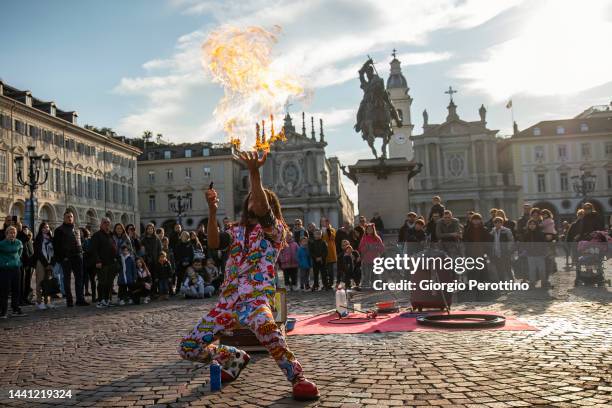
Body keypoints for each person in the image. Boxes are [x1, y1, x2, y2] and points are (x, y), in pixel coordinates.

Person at [178, 151, 319, 401]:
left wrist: (254, 172)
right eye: (251, 196)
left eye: (259, 196)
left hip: (255, 300)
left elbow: (264, 210)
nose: (253, 198)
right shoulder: (235, 231)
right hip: (227, 303)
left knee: (269, 332)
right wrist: (212, 212)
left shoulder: (275, 232)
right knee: (188, 348)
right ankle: (233, 357)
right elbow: (212, 241)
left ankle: (297, 377)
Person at [53, 209, 88, 307]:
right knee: (67, 280)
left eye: (71, 216)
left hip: (78, 257)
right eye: (68, 217)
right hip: (67, 258)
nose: (70, 218)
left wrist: (81, 252)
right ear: (64, 218)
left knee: (79, 279)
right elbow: (56, 246)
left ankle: (80, 299)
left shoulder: (77, 229)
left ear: (73, 218)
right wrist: (61, 258)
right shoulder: (59, 230)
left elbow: (82, 242)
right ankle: (69, 300)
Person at [91, 218, 119, 309]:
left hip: (111, 263)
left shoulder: (110, 235)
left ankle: (107, 299)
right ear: (101, 224)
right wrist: (97, 261)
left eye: (108, 223)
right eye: (105, 223)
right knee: (102, 282)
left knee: (109, 283)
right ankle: (100, 300)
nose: (107, 225)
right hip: (102, 263)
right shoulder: (97, 235)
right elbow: (94, 250)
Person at [0, 226, 26, 318]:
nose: (12, 234)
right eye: (10, 232)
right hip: (5, 269)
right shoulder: (2, 244)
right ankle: (3, 311)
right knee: (5, 291)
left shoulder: (18, 242)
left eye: (14, 233)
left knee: (16, 289)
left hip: (16, 268)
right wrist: (4, 262)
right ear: (6, 234)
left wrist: (17, 260)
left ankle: (15, 309)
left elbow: (20, 251)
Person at [520, 219, 548, 288]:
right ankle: (532, 283)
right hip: (530, 254)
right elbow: (524, 243)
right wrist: (525, 250)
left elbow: (544, 244)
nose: (532, 226)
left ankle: (543, 282)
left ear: (536, 225)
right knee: (532, 269)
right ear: (528, 225)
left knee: (541, 269)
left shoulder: (540, 233)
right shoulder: (526, 234)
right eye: (530, 224)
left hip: (539, 254)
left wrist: (544, 252)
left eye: (533, 224)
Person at [33, 222, 55, 310]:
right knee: (40, 281)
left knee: (48, 282)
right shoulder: (38, 238)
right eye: (44, 227)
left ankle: (48, 301)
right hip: (41, 262)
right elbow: (38, 252)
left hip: (50, 262)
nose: (46, 228)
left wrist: (51, 263)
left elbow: (54, 251)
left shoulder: (51, 239)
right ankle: (39, 301)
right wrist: (46, 264)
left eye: (48, 227)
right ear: (41, 228)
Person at [358, 223, 385, 288]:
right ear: (366, 230)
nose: (369, 230)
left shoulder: (377, 238)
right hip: (366, 260)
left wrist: (375, 247)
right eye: (368, 229)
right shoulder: (364, 238)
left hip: (375, 259)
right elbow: (360, 248)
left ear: (373, 230)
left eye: (371, 229)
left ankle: (377, 285)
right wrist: (366, 248)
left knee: (377, 273)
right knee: (367, 274)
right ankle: (366, 285)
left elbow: (382, 248)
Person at [489, 216, 514, 282]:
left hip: (505, 253)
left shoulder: (507, 230)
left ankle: (512, 282)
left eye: (499, 222)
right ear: (494, 223)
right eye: (496, 222)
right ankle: (502, 283)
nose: (497, 224)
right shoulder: (492, 232)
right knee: (499, 269)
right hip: (496, 254)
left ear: (502, 223)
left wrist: (508, 249)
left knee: (507, 268)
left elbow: (511, 240)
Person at [174, 231, 195, 296]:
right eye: (183, 236)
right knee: (180, 277)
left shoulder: (190, 245)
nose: (184, 237)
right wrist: (181, 261)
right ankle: (177, 290)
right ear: (181, 237)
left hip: (189, 264)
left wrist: (188, 262)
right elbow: (177, 255)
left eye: (186, 236)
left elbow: (192, 255)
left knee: (189, 277)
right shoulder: (178, 245)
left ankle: (189, 290)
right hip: (181, 264)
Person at [320, 217, 337, 289]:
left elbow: (332, 237)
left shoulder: (332, 230)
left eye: (326, 221)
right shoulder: (319, 230)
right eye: (323, 221)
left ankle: (330, 283)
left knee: (330, 270)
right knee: (323, 271)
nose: (325, 223)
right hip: (322, 253)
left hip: (330, 253)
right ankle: (325, 284)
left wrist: (328, 229)